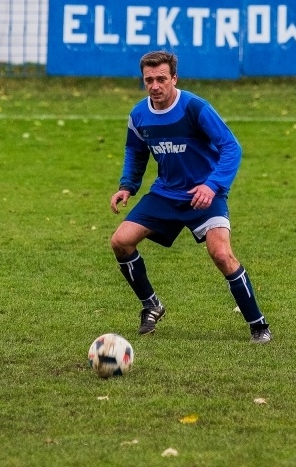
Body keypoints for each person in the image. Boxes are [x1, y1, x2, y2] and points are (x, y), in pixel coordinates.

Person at [109, 50, 272, 344]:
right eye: (149, 80)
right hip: (166, 194)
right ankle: (151, 305)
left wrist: (212, 185)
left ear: (174, 78)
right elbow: (135, 151)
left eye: (161, 79)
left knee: (221, 253)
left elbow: (231, 147)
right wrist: (127, 186)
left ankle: (258, 325)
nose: (155, 86)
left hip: (204, 195)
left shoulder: (195, 108)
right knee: (121, 241)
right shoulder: (139, 115)